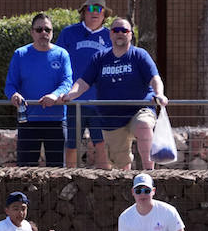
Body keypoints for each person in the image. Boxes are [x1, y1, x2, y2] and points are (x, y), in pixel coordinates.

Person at [61, 17, 169, 170]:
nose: (120, 33)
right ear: (110, 35)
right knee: (122, 166)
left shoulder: (140, 55)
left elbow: (155, 78)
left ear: (130, 34)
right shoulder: (99, 58)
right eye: (115, 30)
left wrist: (160, 94)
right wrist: (69, 95)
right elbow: (83, 82)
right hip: (111, 118)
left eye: (124, 30)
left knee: (144, 126)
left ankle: (149, 174)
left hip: (139, 110)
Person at [5, 13, 72, 167]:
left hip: (56, 120)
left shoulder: (62, 54)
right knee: (25, 170)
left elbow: (67, 82)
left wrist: (54, 96)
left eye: (47, 30)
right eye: (39, 29)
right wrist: (13, 94)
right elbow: (10, 84)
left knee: (57, 171)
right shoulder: (20, 54)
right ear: (32, 32)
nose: (44, 33)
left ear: (52, 32)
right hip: (28, 120)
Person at [55, 0, 111, 168]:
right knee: (71, 145)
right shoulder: (69, 33)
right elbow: (57, 61)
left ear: (104, 14)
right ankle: (69, 179)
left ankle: (107, 182)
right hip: (72, 102)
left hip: (100, 103)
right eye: (91, 8)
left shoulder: (112, 36)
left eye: (99, 9)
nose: (95, 12)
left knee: (102, 145)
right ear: (84, 11)